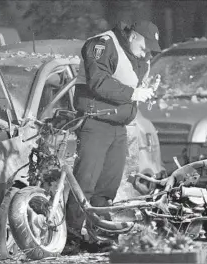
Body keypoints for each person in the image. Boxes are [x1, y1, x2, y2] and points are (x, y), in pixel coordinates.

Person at [65, 20, 162, 242]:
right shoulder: (103, 44)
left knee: (108, 185)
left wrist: (145, 92)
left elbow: (131, 82)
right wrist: (133, 94)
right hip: (96, 122)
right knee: (86, 182)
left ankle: (100, 234)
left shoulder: (137, 56)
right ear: (133, 36)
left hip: (118, 126)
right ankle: (71, 235)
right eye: (145, 45)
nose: (147, 52)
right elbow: (98, 81)